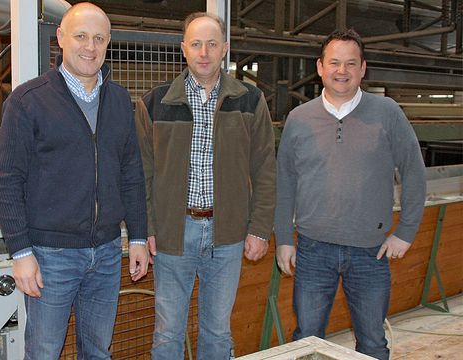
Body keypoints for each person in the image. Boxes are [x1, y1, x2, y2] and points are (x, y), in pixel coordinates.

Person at [0, 3, 149, 359]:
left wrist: (137, 236)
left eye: (98, 38)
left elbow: (132, 174)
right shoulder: (28, 101)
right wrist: (21, 252)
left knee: (98, 350)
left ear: (108, 42)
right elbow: (6, 180)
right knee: (45, 352)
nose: (89, 47)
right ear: (61, 38)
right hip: (51, 255)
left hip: (107, 251)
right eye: (80, 36)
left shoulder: (121, 101)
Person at [274, 29, 426, 360]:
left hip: (370, 253)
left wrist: (406, 231)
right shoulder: (299, 119)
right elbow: (284, 181)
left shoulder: (387, 113)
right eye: (334, 63)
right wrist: (284, 238)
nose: (341, 71)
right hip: (313, 250)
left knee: (372, 342)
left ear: (363, 68)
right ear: (320, 67)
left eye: (350, 63)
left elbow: (414, 171)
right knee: (307, 340)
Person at [135, 12, 276, 359]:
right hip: (172, 235)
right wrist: (148, 227)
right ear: (184, 48)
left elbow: (265, 170)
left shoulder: (250, 101)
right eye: (196, 44)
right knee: (167, 332)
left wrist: (259, 229)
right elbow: (143, 175)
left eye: (212, 44)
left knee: (217, 331)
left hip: (226, 235)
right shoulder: (154, 104)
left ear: (224, 49)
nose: (203, 52)